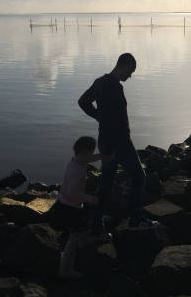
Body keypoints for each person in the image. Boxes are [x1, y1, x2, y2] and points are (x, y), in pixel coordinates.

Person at [78, 53, 158, 237]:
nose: (130, 76)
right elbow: (117, 120)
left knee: (105, 185)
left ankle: (97, 226)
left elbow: (83, 102)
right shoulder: (114, 87)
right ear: (123, 65)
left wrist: (99, 117)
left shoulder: (99, 82)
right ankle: (135, 219)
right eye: (131, 71)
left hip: (105, 140)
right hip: (120, 142)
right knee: (138, 177)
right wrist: (104, 120)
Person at [49, 136, 109, 279]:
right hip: (70, 208)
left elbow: (88, 159)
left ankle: (84, 239)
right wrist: (90, 199)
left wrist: (102, 156)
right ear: (83, 152)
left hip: (65, 204)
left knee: (77, 232)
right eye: (90, 152)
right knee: (73, 239)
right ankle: (65, 270)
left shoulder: (75, 161)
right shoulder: (78, 170)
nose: (90, 156)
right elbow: (73, 193)